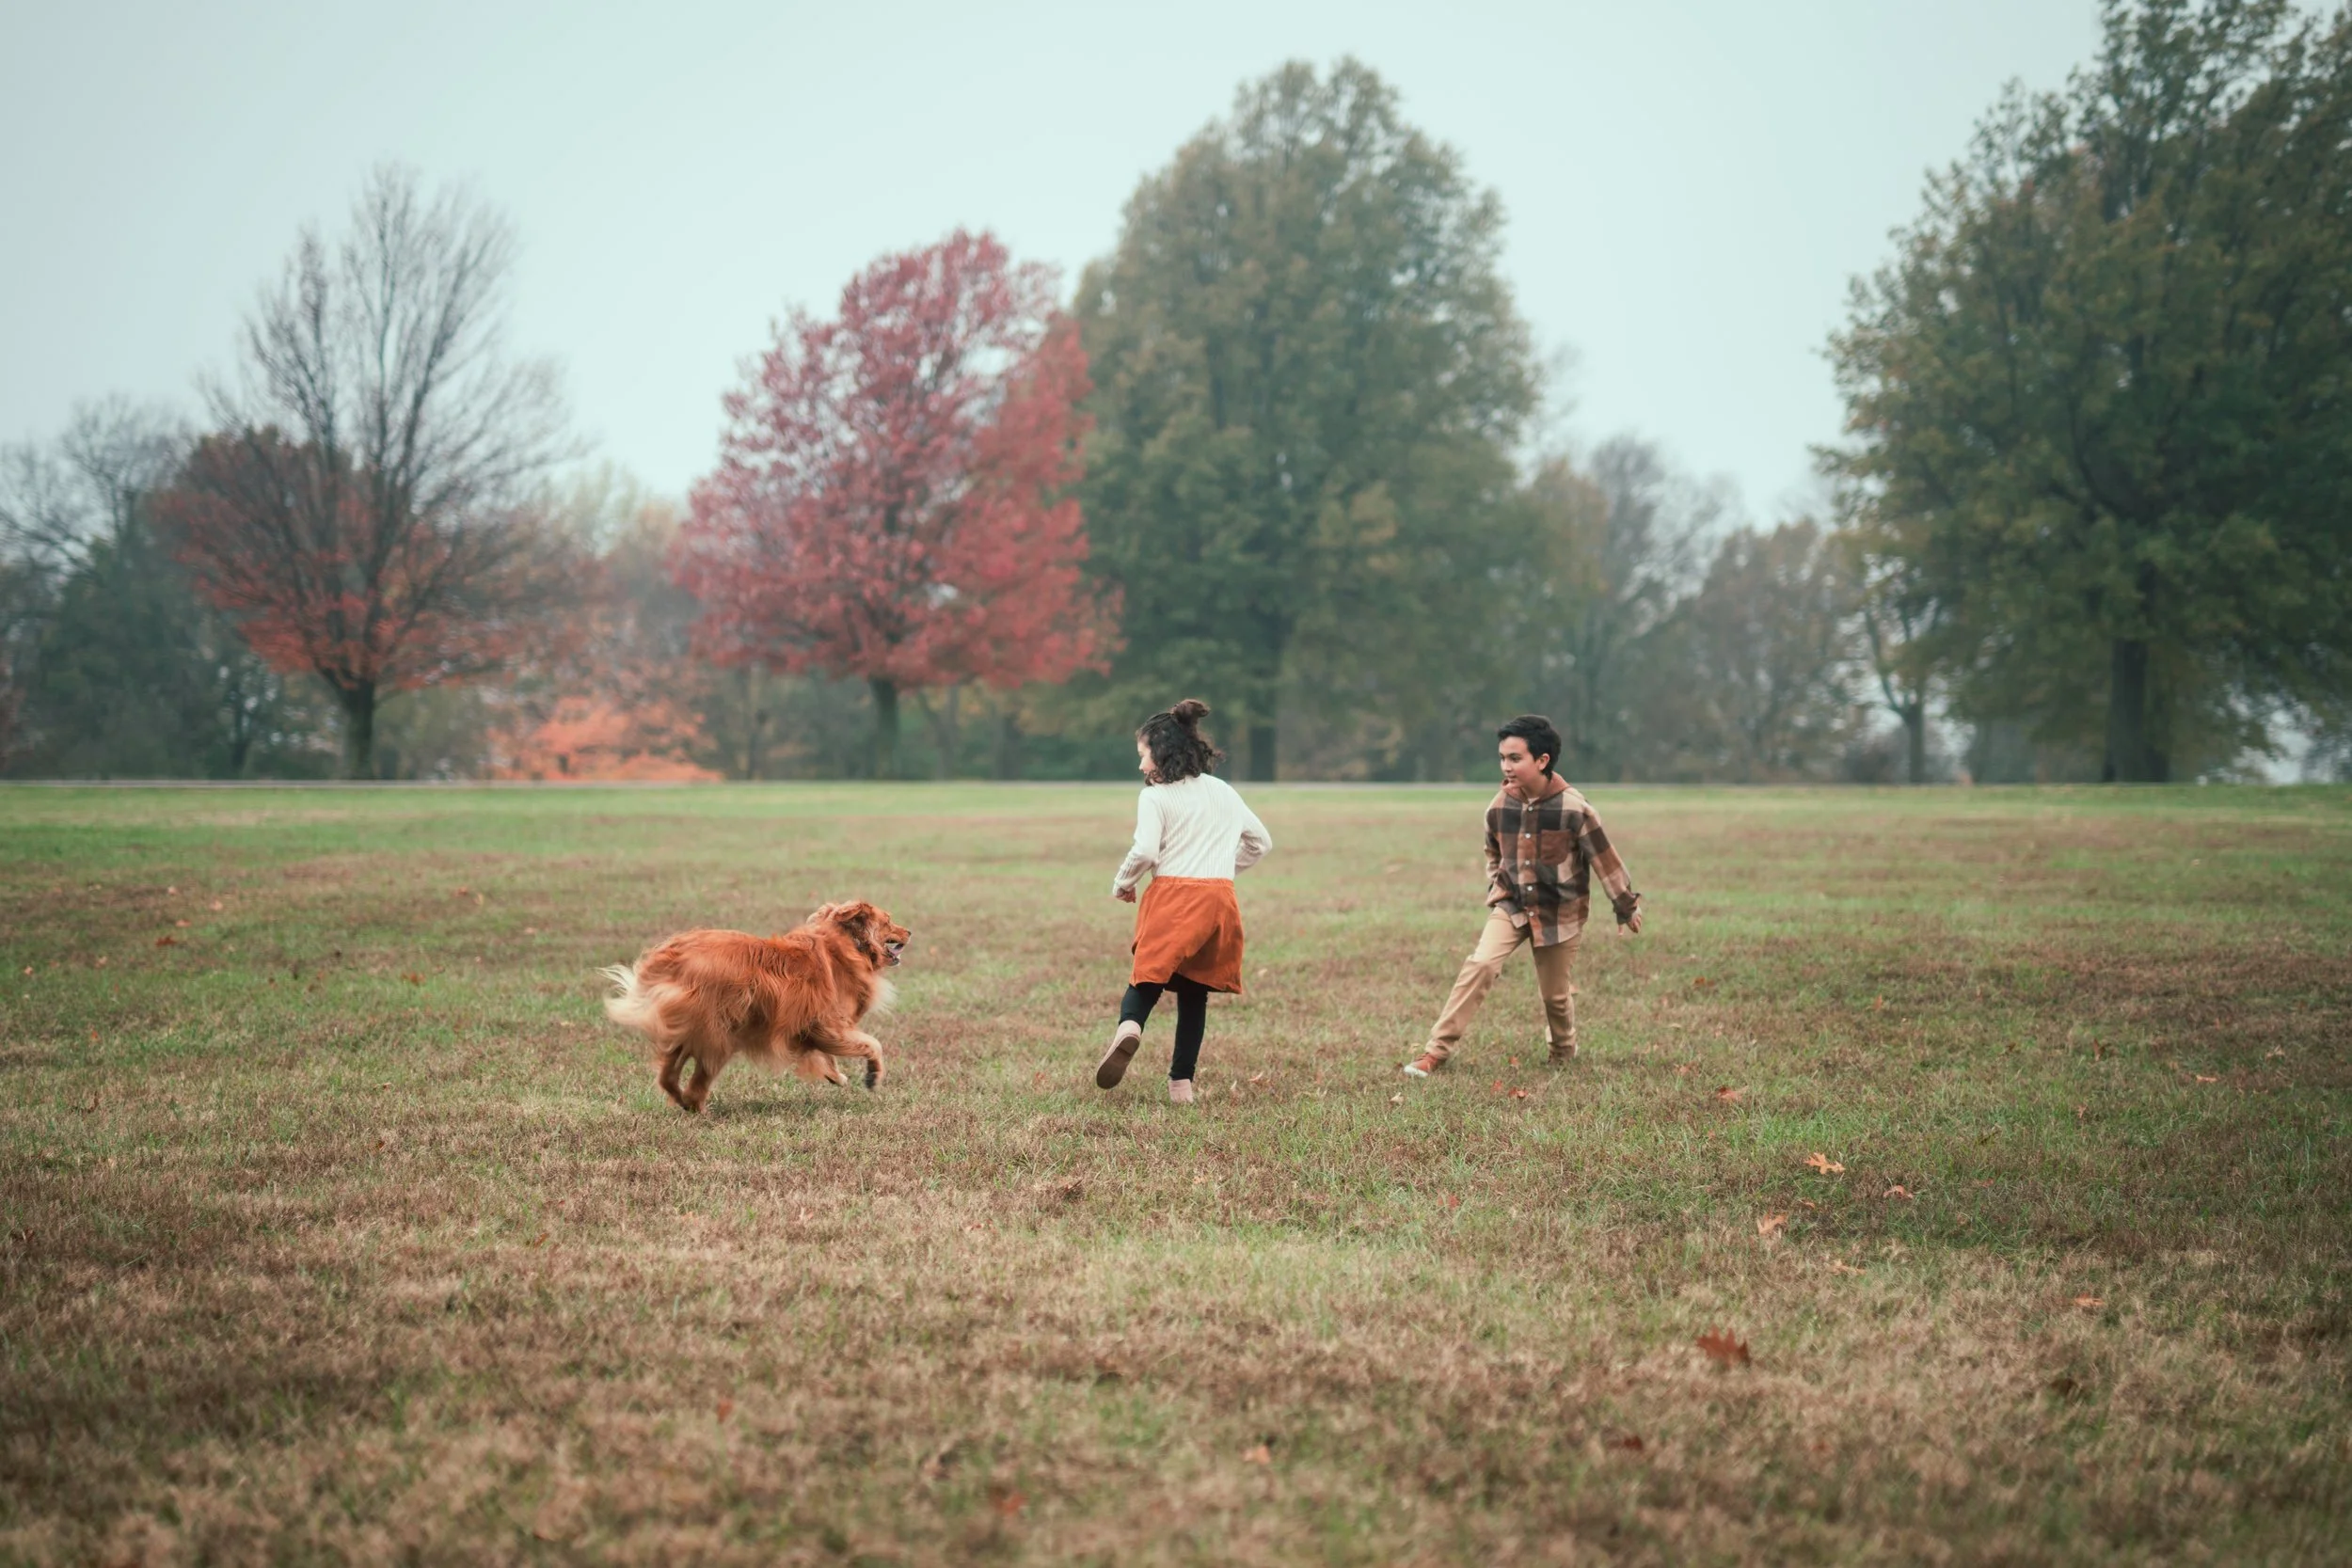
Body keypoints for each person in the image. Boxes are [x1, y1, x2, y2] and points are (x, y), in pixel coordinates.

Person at [1403, 715, 1641, 1078]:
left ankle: (1562, 1052)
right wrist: (1497, 886)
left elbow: (1604, 859)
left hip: (1559, 913)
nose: (1506, 766)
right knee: (1480, 965)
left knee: (1555, 997)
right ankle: (1435, 1052)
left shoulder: (1575, 809)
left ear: (1542, 760)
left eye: (1515, 758)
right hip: (1512, 905)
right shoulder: (1500, 806)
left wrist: (1625, 906)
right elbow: (1492, 852)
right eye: (1502, 758)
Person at [1096, 699, 1272, 1104]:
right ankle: (1181, 1086)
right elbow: (1261, 842)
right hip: (1219, 900)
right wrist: (1222, 873)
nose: (1140, 767)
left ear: (1160, 753)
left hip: (1174, 894)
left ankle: (1129, 1028)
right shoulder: (1223, 792)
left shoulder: (1156, 797)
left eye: (1142, 756)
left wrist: (1123, 882)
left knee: (1147, 976)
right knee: (1196, 992)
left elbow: (1144, 852)